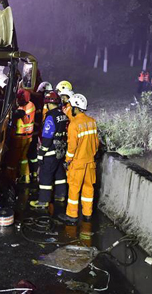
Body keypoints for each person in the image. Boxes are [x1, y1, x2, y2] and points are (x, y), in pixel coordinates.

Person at [58, 94, 99, 225]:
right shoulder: (92, 121)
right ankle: (87, 214)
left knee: (74, 188)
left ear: (76, 108)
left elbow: (72, 145)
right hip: (90, 162)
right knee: (88, 188)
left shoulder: (74, 124)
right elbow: (96, 143)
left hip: (78, 162)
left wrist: (67, 160)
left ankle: (72, 215)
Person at [29, 92, 69, 209]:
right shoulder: (63, 115)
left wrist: (41, 153)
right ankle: (60, 195)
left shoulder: (50, 116)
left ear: (48, 103)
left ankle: (43, 201)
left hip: (50, 152)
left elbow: (47, 137)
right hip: (60, 151)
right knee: (59, 174)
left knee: (45, 175)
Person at [6, 89, 35, 183]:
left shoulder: (26, 106)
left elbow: (26, 120)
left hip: (20, 137)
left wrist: (18, 112)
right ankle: (25, 177)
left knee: (13, 159)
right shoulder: (31, 105)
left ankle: (10, 179)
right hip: (27, 136)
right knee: (23, 158)